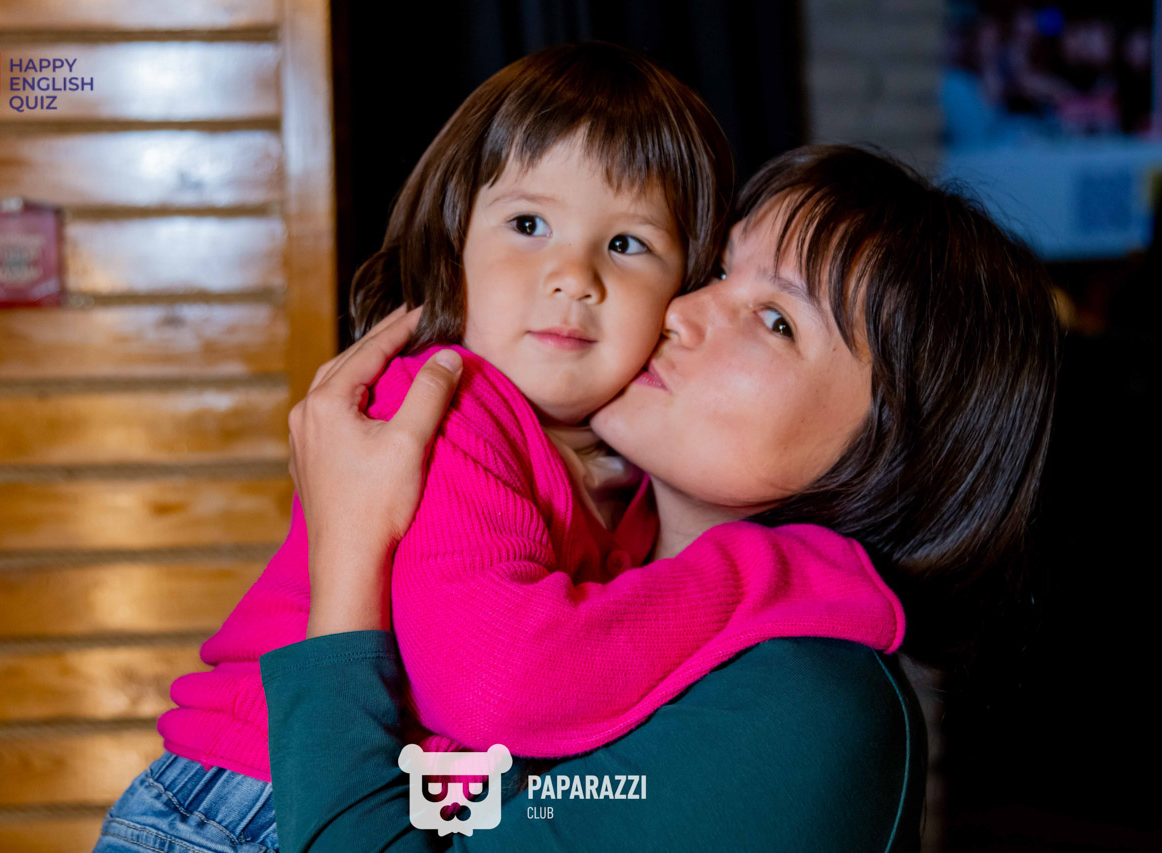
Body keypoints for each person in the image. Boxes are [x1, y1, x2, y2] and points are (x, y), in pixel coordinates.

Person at [100, 42, 877, 853]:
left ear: (677, 291)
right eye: (528, 224)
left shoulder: (627, 480)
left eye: (626, 244)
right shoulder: (443, 408)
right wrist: (773, 570)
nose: (573, 276)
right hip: (237, 808)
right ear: (454, 251)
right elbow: (500, 687)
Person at [260, 143, 1060, 850]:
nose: (680, 312)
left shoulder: (804, 704)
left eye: (776, 320)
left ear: (894, 450)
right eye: (719, 270)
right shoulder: (575, 547)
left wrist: (350, 547)